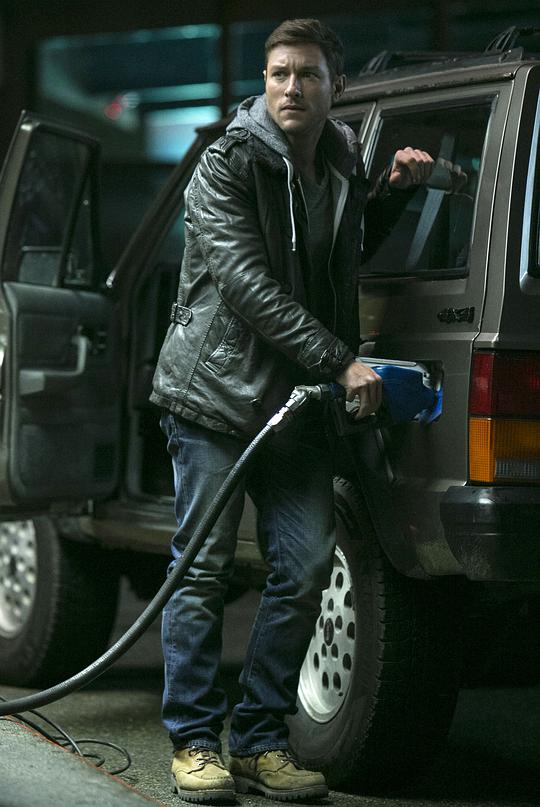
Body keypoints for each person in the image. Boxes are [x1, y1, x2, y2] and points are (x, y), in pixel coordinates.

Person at [151, 18, 433, 803]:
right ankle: (194, 742)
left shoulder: (341, 159)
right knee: (202, 571)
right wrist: (340, 360)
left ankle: (259, 740)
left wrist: (393, 197)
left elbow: (337, 258)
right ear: (264, 82)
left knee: (305, 569)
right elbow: (247, 283)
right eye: (279, 73)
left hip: (296, 404)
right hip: (215, 397)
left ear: (334, 86)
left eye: (307, 74)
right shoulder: (226, 163)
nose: (291, 87)